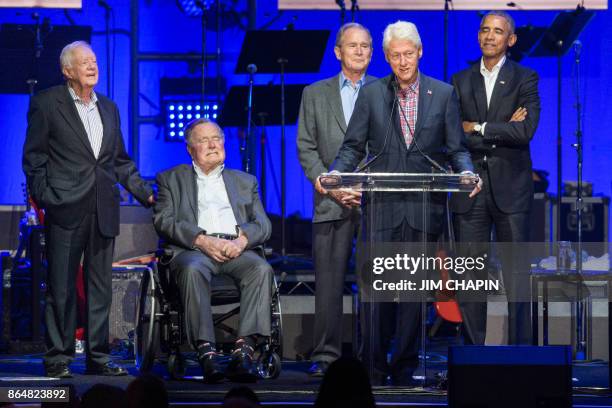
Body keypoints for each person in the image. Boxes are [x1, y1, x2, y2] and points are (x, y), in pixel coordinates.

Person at [327, 21, 480, 385]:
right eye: (395, 55)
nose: (402, 62)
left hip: (422, 211)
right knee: (377, 291)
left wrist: (468, 174)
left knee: (413, 296)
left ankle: (405, 366)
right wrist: (337, 174)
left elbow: (456, 149)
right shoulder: (373, 94)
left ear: (420, 52)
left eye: (408, 54)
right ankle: (374, 367)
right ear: (387, 57)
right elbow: (352, 147)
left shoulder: (442, 94)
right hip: (381, 208)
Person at [22, 41, 153, 378]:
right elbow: (34, 158)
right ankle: (58, 359)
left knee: (100, 288)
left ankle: (98, 357)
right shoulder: (47, 103)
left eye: (94, 61)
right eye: (84, 62)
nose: (92, 66)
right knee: (62, 287)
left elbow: (119, 162)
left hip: (102, 208)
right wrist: (47, 197)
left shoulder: (108, 108)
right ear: (68, 70)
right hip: (65, 207)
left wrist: (146, 195)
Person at [153, 118, 273, 383]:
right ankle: (206, 352)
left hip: (235, 248)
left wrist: (242, 241)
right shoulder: (170, 179)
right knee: (193, 268)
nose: (212, 145)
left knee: (262, 269)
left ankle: (244, 351)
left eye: (216, 138)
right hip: (194, 250)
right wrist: (202, 240)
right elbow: (164, 221)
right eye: (203, 140)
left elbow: (263, 224)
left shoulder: (245, 181)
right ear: (190, 148)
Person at [450, 11, 541, 345]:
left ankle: (520, 352)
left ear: (511, 40)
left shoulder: (525, 78)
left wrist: (478, 126)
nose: (489, 36)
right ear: (478, 36)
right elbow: (453, 136)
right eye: (484, 30)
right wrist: (502, 128)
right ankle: (475, 352)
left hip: (512, 189)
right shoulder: (459, 80)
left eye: (498, 31)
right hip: (470, 189)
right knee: (471, 275)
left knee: (517, 274)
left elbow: (525, 131)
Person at [297, 22, 376, 377]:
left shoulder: (385, 90)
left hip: (375, 202)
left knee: (375, 283)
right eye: (353, 45)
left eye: (365, 46)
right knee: (328, 283)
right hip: (330, 202)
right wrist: (331, 186)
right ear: (338, 52)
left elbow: (393, 146)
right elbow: (306, 147)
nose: (359, 51)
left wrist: (365, 187)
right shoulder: (314, 93)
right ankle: (326, 354)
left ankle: (372, 353)